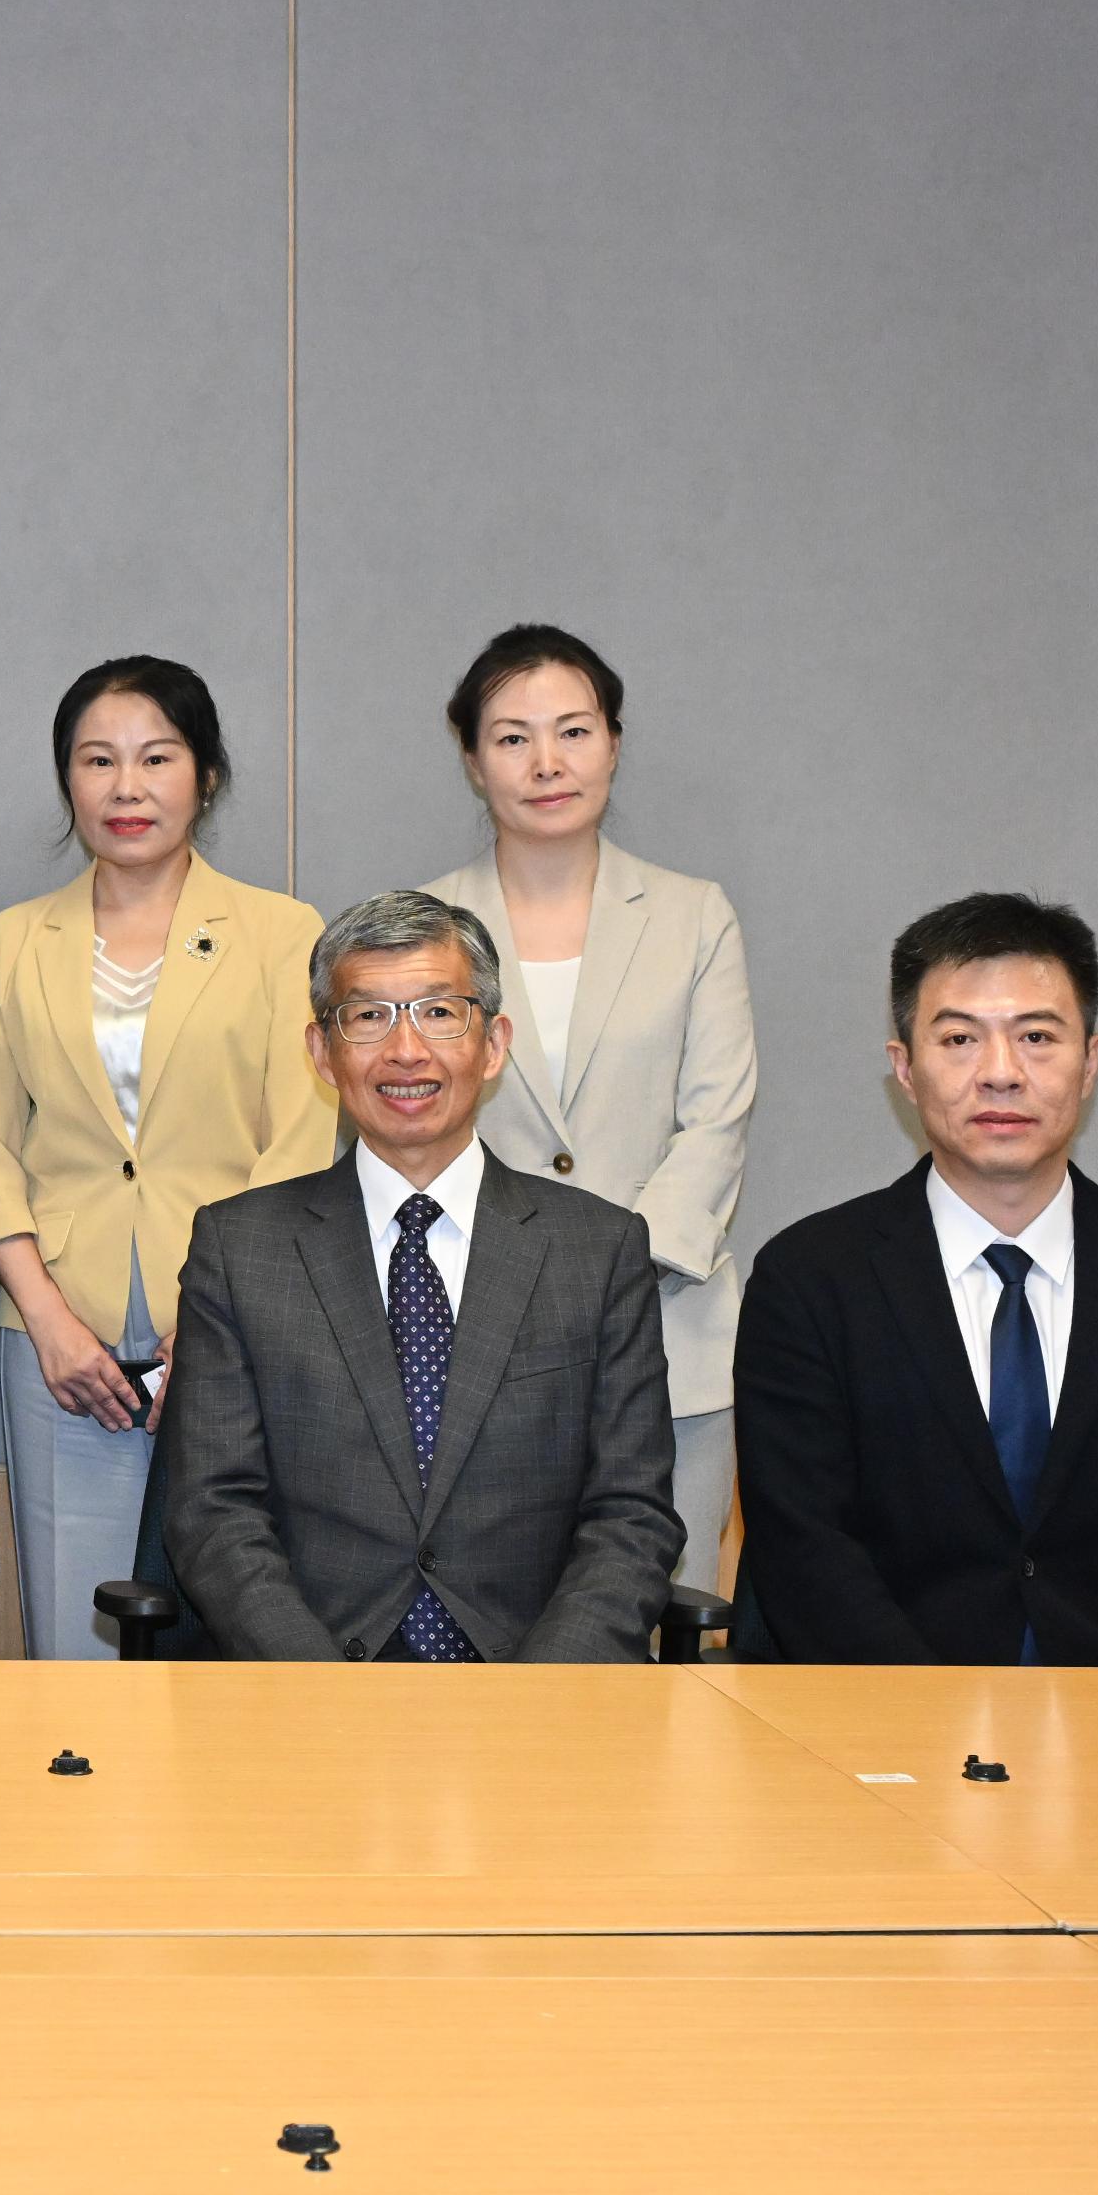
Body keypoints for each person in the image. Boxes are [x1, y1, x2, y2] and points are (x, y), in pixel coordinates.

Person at [734, 894, 1098, 1665]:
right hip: (880, 1739)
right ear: (904, 1068)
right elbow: (806, 1551)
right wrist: (930, 1734)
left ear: (1091, 1061)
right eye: (960, 1039)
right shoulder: (809, 1281)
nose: (1001, 1074)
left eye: (1037, 1037)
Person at [159, 891, 681, 1661]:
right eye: (368, 1017)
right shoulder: (241, 1248)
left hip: (532, 1682)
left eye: (439, 1013)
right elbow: (214, 1511)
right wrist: (327, 1696)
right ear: (320, 1051)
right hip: (315, 1683)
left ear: (494, 1043)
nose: (406, 1051)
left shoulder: (597, 1251)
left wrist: (540, 1697)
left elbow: (630, 1515)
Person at [0, 657, 330, 1656]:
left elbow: (295, 1149)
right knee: (73, 1640)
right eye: (98, 760)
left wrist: (213, 1325)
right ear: (67, 779)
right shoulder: (15, 940)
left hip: (230, 1335)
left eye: (156, 757)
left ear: (204, 776)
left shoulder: (282, 934)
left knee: (232, 1627)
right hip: (55, 1335)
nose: (126, 786)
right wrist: (47, 1323)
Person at [423, 624, 755, 1593]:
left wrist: (598, 1272)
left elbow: (715, 1123)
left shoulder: (695, 915)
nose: (546, 762)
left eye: (572, 730)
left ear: (613, 741)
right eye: (512, 736)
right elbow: (401, 1134)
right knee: (488, 1627)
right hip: (466, 1339)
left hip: (666, 1333)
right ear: (473, 759)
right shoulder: (421, 922)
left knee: (668, 1630)